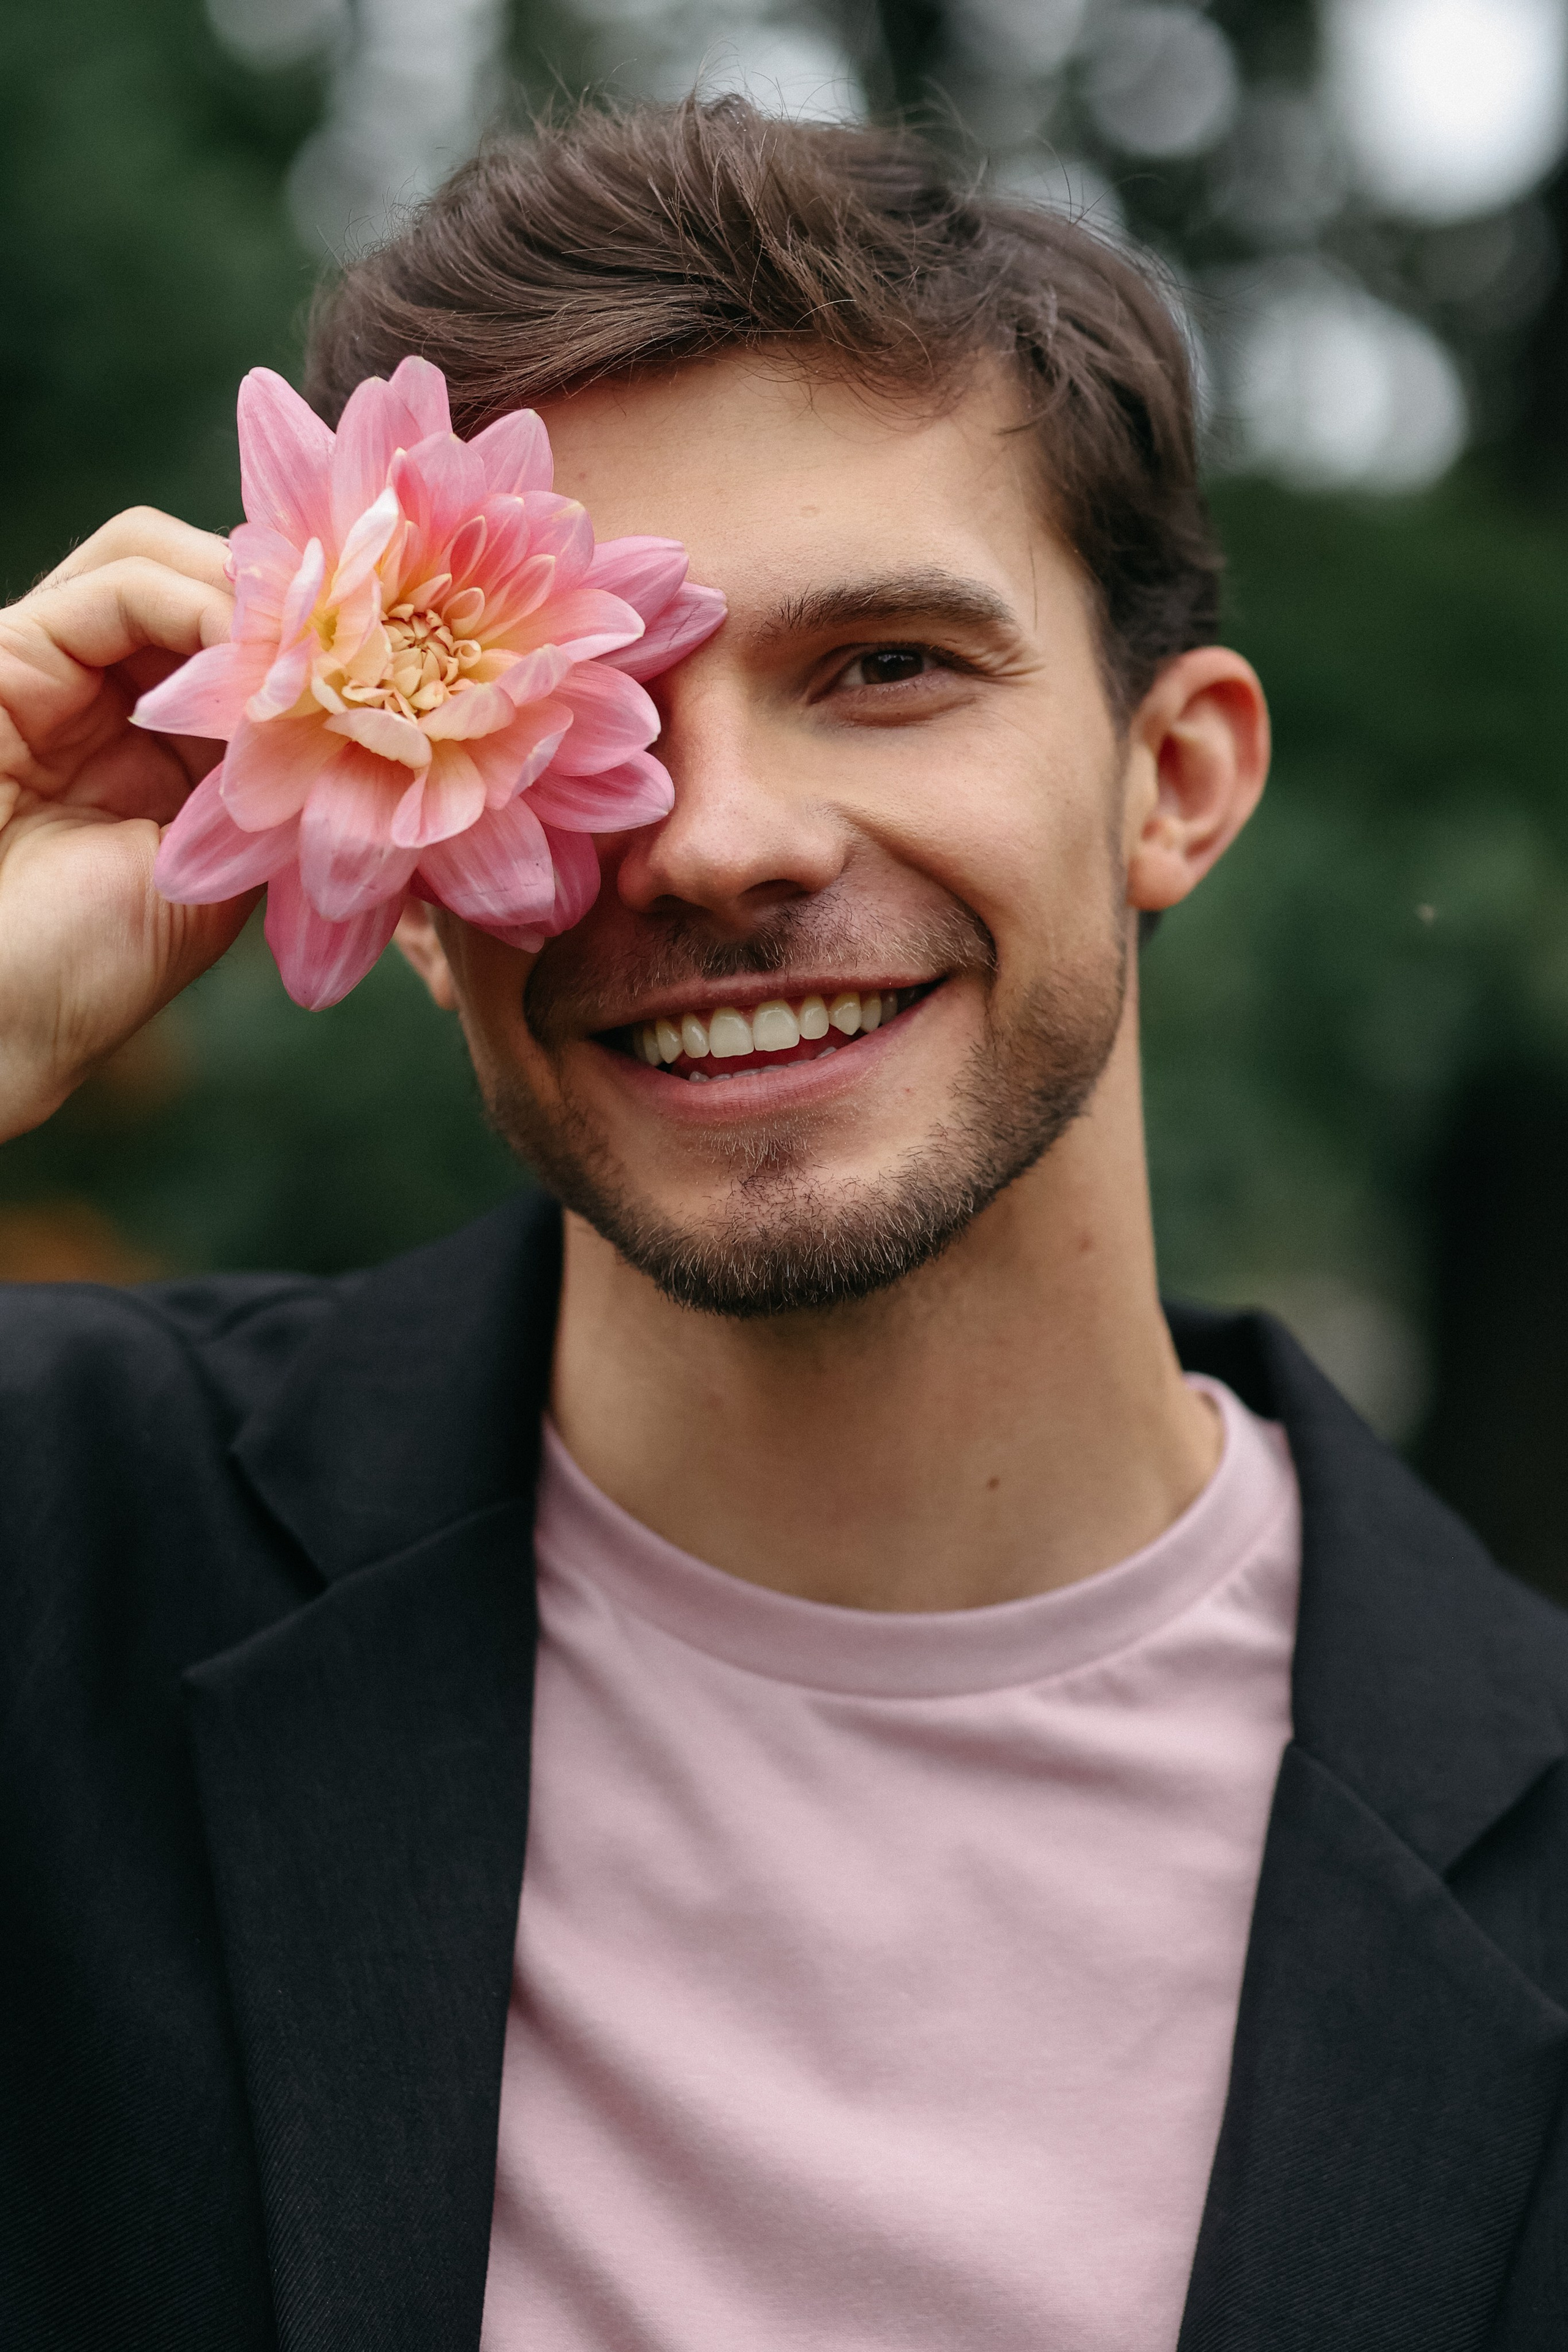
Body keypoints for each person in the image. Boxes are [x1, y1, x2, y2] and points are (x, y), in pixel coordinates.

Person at [2, 97, 1565, 2352]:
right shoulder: (67, 1555)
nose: (715, 838)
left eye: (888, 668)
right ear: (419, 903)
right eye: (585, 713)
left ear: (1178, 777)